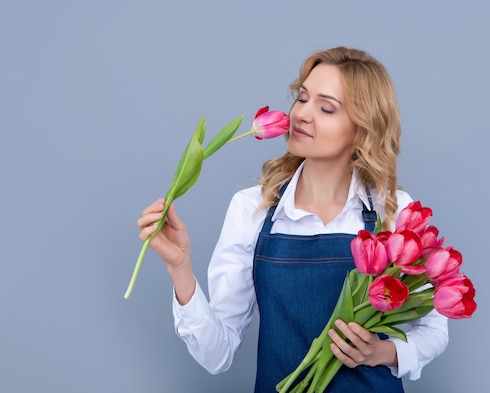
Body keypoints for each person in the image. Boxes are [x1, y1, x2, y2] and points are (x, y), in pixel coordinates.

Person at [137, 46, 449, 392]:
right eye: (302, 98)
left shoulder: (395, 211)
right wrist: (180, 269)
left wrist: (383, 352)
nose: (302, 114)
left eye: (326, 107)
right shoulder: (251, 208)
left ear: (362, 129)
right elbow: (217, 354)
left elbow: (434, 331)